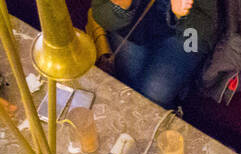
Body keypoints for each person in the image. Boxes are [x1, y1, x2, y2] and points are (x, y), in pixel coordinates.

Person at [91, 0, 219, 108]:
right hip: (133, 25)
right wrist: (120, 6)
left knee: (154, 94)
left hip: (183, 33)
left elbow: (206, 28)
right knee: (125, 83)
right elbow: (100, 13)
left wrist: (180, 15)